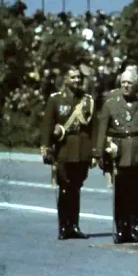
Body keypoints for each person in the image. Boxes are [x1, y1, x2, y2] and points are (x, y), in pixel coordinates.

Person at [95, 68, 138, 244]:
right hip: (119, 154)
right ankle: (121, 230)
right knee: (120, 194)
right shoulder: (111, 105)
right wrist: (99, 154)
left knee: (134, 193)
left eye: (129, 83)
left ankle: (131, 228)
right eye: (123, 82)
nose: (126, 85)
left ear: (136, 85)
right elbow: (102, 131)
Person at [40, 67, 96, 240]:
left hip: (82, 150)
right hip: (64, 149)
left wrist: (95, 152)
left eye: (79, 77)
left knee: (76, 188)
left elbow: (93, 128)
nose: (77, 80)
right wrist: (46, 147)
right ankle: (63, 227)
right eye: (73, 77)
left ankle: (74, 226)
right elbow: (48, 125)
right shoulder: (56, 100)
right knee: (64, 187)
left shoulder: (87, 100)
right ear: (66, 80)